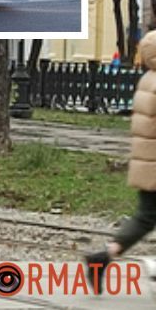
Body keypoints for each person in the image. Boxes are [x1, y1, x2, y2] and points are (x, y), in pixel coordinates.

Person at [85, 31, 156, 293]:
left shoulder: (148, 79)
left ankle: (102, 257)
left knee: (145, 218)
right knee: (146, 218)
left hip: (146, 162)